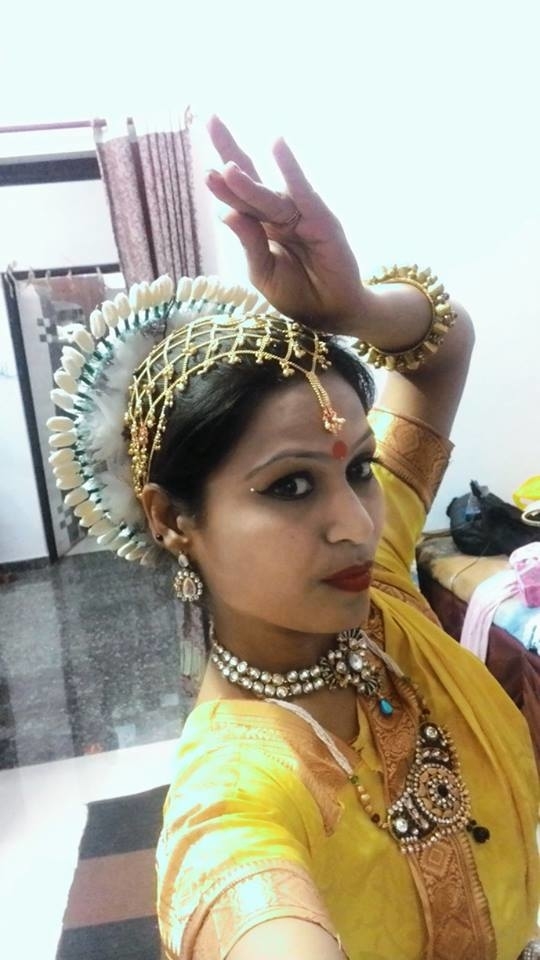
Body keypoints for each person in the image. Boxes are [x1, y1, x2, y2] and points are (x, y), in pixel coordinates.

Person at [47, 118, 538, 960]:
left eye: (358, 469)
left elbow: (440, 348)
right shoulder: (234, 795)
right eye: (289, 486)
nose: (358, 522)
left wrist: (355, 310)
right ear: (171, 518)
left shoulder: (377, 584)